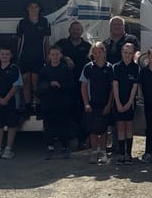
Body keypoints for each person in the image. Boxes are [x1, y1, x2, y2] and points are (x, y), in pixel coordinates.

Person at [57, 20, 92, 148]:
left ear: (81, 31)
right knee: (67, 112)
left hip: (83, 85)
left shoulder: (88, 46)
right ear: (69, 30)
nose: (75, 31)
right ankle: (68, 139)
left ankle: (83, 138)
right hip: (66, 85)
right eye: (73, 29)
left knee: (83, 112)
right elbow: (51, 55)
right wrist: (64, 57)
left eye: (78, 29)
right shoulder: (62, 44)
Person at [38, 44, 76, 160]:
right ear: (49, 56)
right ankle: (49, 147)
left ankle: (65, 147)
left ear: (61, 56)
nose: (55, 57)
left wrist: (60, 85)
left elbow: (71, 85)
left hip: (62, 102)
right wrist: (48, 85)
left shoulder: (65, 69)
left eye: (57, 54)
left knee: (63, 125)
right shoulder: (44, 70)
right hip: (48, 103)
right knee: (48, 126)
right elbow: (39, 86)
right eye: (52, 54)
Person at [81, 41, 114, 165]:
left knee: (104, 129)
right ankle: (94, 152)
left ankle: (103, 152)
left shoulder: (110, 67)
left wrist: (109, 104)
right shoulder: (88, 67)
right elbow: (83, 86)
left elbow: (112, 88)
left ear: (104, 53)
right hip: (92, 103)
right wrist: (86, 103)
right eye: (94, 53)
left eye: (99, 52)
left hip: (105, 103)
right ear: (92, 54)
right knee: (93, 130)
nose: (97, 55)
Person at [16, 1, 51, 116]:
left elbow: (46, 41)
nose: (34, 9)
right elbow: (19, 41)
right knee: (26, 82)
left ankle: (38, 105)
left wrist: (47, 56)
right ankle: (27, 106)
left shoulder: (45, 22)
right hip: (24, 57)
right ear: (27, 9)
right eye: (31, 7)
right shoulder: (22, 23)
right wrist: (18, 56)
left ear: (40, 9)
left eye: (36, 7)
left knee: (36, 82)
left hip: (39, 56)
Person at [0, 45, 23, 159]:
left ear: (11, 55)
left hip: (12, 101)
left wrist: (6, 99)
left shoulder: (14, 68)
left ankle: (8, 149)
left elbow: (16, 86)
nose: (4, 56)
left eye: (7, 54)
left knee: (12, 125)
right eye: (2, 54)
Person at [112, 42, 140, 164]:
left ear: (133, 54)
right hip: (118, 101)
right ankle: (121, 154)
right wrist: (118, 103)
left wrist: (129, 103)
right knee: (120, 127)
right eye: (125, 52)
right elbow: (115, 86)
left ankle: (128, 154)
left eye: (130, 53)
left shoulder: (136, 68)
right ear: (121, 53)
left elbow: (135, 87)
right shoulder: (116, 67)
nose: (127, 55)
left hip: (130, 102)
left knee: (129, 126)